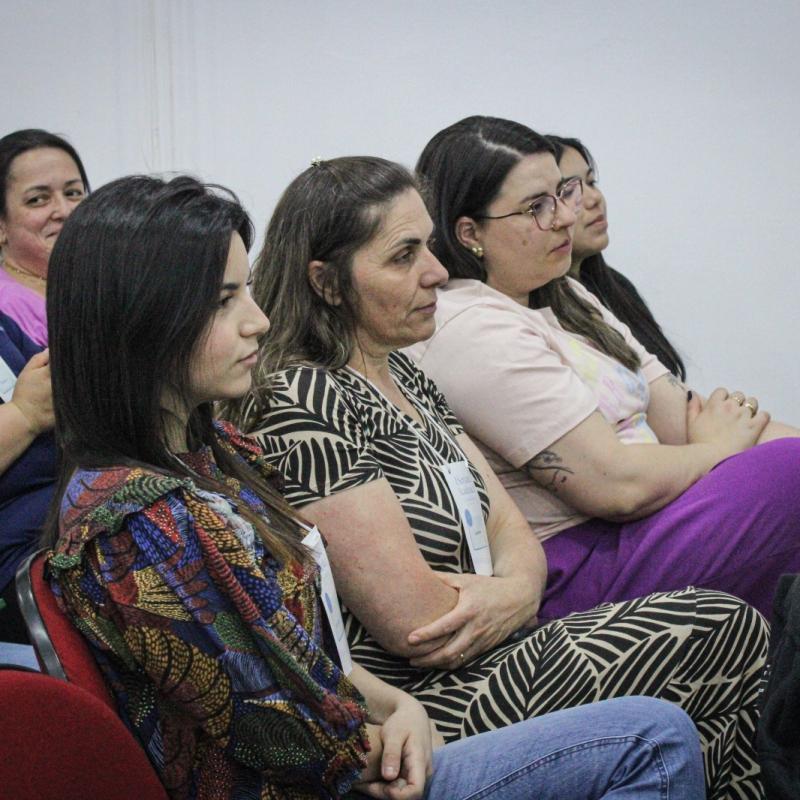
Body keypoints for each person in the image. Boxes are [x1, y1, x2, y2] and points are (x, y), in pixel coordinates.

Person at [43, 173, 706, 800]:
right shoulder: (147, 523)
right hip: (332, 779)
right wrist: (395, 727)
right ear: (138, 320)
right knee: (655, 736)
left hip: (368, 732)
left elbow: (309, 652)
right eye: (223, 302)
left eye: (246, 292)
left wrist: (399, 707)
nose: (257, 320)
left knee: (696, 670)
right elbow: (281, 734)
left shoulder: (209, 456)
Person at [233, 155, 768, 799]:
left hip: (500, 645)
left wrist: (515, 591)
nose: (436, 272)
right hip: (421, 706)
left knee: (727, 664)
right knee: (722, 629)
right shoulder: (302, 399)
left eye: (428, 246)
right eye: (403, 256)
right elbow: (416, 624)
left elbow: (510, 529)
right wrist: (515, 593)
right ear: (328, 282)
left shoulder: (404, 374)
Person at [410, 114, 800, 622]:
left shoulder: (565, 292)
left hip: (655, 515)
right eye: (536, 207)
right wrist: (718, 450)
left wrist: (723, 443)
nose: (565, 218)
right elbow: (616, 487)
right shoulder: (469, 326)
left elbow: (683, 417)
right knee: (789, 470)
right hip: (583, 562)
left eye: (563, 193)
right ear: (470, 233)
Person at [0, 128, 89, 641]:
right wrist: (24, 414)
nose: (64, 210)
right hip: (32, 555)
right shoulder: (8, 313)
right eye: (38, 199)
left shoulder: (99, 294)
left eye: (74, 192)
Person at [547, 134, 686, 380]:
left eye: (591, 182)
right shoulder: (542, 313)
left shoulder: (614, 286)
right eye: (569, 192)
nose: (594, 199)